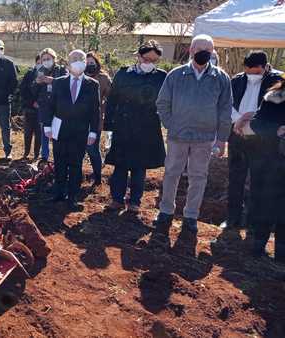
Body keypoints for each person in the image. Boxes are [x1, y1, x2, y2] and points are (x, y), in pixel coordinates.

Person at [154, 34, 233, 233]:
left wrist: (222, 138)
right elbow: (162, 103)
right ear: (191, 50)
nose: (204, 54)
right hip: (177, 136)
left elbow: (225, 109)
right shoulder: (176, 75)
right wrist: (171, 124)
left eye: (209, 50)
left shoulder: (221, 78)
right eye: (200, 50)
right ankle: (165, 212)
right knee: (172, 173)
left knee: (199, 177)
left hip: (204, 138)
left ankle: (190, 216)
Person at [222, 51, 282, 229]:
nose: (250, 75)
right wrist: (238, 120)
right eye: (247, 71)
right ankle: (233, 217)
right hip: (237, 134)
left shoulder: (277, 82)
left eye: (254, 72)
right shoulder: (237, 80)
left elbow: (273, 108)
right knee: (235, 179)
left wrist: (249, 119)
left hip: (261, 138)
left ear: (263, 67)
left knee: (258, 180)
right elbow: (227, 103)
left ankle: (253, 221)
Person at [104, 40, 167, 213]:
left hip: (147, 128)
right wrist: (108, 127)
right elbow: (112, 101)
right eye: (147, 59)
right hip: (123, 126)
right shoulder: (124, 74)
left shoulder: (161, 77)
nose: (150, 64)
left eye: (154, 61)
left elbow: (166, 103)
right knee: (120, 165)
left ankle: (135, 202)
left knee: (140, 167)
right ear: (139, 56)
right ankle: (116, 199)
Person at [43, 49, 100, 209]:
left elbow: (95, 110)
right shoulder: (58, 82)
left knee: (76, 164)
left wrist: (93, 131)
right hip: (59, 129)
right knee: (60, 162)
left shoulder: (92, 84)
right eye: (74, 59)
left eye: (81, 59)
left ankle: (73, 196)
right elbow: (50, 106)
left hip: (80, 131)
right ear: (68, 64)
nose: (78, 62)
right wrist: (47, 126)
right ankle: (59, 193)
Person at [240, 75, 285, 263]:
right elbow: (257, 124)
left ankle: (281, 255)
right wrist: (277, 131)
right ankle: (258, 246)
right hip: (271, 160)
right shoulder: (274, 98)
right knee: (266, 203)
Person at [32, 48, 67, 162]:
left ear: (54, 58)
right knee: (45, 133)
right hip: (45, 107)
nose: (46, 61)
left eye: (48, 59)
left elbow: (67, 86)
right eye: (44, 59)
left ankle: (60, 156)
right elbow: (33, 90)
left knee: (58, 133)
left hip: (59, 108)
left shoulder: (62, 70)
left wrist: (53, 81)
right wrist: (36, 83)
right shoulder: (40, 71)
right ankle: (44, 157)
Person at [84, 51, 111, 186]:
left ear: (96, 63)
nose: (89, 65)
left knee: (92, 148)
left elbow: (111, 97)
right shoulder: (78, 76)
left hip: (95, 119)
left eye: (91, 63)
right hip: (78, 119)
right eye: (86, 63)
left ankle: (98, 176)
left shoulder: (103, 78)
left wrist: (103, 109)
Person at [19, 54, 41, 159]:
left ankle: (37, 154)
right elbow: (23, 90)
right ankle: (26, 152)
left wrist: (40, 103)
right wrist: (32, 102)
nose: (40, 65)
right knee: (28, 132)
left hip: (41, 110)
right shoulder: (29, 74)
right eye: (38, 63)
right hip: (29, 108)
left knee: (39, 133)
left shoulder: (48, 76)